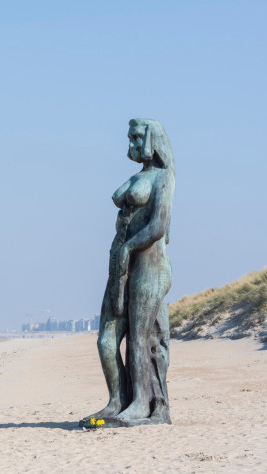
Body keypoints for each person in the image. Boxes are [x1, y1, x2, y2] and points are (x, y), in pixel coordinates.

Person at [84, 118, 175, 426]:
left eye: (136, 137)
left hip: (148, 264)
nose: (131, 144)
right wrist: (121, 255)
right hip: (120, 264)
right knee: (106, 341)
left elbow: (158, 226)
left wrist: (128, 248)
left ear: (152, 139)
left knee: (138, 337)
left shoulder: (164, 177)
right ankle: (116, 401)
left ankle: (141, 402)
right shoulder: (137, 177)